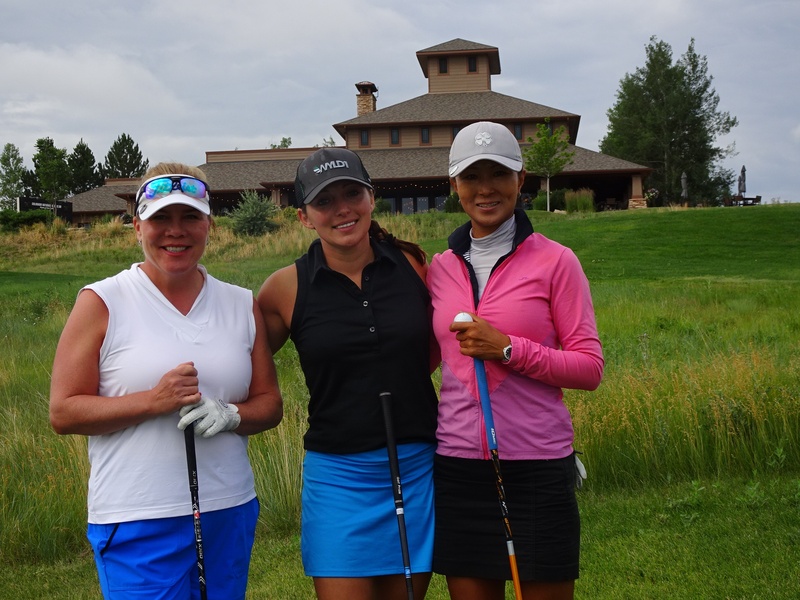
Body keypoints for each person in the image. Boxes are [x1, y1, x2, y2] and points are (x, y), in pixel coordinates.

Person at [49, 162, 283, 600]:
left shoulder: (240, 303)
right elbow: (64, 411)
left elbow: (269, 404)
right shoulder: (102, 301)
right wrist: (152, 400)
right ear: (138, 226)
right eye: (161, 218)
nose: (176, 231)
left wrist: (231, 414)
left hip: (227, 507)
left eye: (190, 216)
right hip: (136, 514)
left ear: (210, 225)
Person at [427, 122, 604, 600]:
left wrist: (508, 349)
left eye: (499, 174)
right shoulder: (439, 268)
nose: (485, 189)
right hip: (459, 468)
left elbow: (589, 368)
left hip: (538, 465)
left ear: (520, 179)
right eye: (472, 176)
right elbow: (424, 357)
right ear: (455, 185)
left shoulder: (557, 262)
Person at [256, 147, 438, 600]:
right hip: (338, 476)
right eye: (324, 201)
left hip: (416, 466)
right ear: (304, 217)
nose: (342, 209)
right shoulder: (284, 288)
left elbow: (438, 349)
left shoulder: (414, 265)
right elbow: (239, 363)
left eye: (352, 194)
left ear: (371, 197)